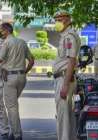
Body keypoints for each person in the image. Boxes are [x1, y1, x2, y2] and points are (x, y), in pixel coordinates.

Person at [52, 10, 81, 140]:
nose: (57, 22)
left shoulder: (69, 36)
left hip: (65, 79)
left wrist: (64, 85)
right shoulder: (65, 36)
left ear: (68, 19)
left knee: (63, 117)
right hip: (65, 79)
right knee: (67, 117)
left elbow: (71, 60)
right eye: (56, 19)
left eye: (61, 19)